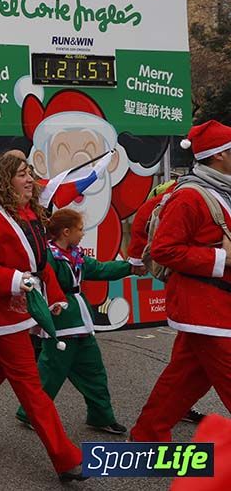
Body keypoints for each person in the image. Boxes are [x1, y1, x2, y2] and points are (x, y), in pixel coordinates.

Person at [0, 153, 85, 482]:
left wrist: (53, 297)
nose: (30, 180)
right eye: (23, 175)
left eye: (31, 174)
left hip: (21, 310)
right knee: (30, 387)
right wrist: (14, 280)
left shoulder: (31, 215)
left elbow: (41, 264)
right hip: (1, 315)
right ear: (4, 180)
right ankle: (65, 457)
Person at [130, 120, 231, 442]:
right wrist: (220, 259)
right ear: (218, 156)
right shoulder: (189, 197)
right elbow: (164, 250)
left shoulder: (220, 189)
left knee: (186, 378)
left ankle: (147, 435)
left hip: (215, 306)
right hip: (204, 307)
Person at [15, 207, 139, 435]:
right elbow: (37, 284)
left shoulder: (75, 256)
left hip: (81, 321)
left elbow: (100, 269)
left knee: (94, 372)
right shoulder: (48, 257)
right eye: (79, 229)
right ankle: (30, 413)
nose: (82, 234)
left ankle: (102, 416)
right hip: (60, 322)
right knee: (50, 374)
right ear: (65, 232)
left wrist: (130, 267)